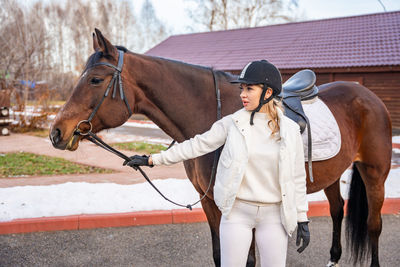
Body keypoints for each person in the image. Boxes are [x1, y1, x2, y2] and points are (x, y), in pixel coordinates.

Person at [125, 60, 310, 267]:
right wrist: (152, 160)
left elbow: (297, 177)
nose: (242, 94)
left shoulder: (290, 130)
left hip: (274, 218)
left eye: (249, 88)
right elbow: (195, 145)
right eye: (242, 88)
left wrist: (302, 217)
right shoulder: (232, 123)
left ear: (268, 93)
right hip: (237, 214)